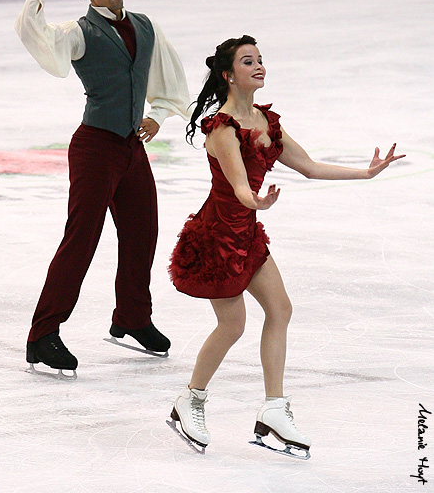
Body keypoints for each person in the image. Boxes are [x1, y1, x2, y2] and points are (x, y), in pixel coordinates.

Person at [167, 35, 404, 455]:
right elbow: (239, 186)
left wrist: (365, 174)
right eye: (247, 61)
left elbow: (309, 166)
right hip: (219, 235)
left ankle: (273, 410)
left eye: (259, 59)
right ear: (228, 75)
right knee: (233, 325)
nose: (259, 66)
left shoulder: (265, 122)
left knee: (281, 309)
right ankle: (189, 400)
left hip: (247, 233)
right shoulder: (222, 129)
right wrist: (256, 202)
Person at [15, 0, 190, 375]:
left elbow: (167, 77)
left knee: (142, 231)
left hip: (131, 147)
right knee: (82, 240)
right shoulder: (79, 32)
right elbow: (32, 32)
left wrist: (159, 115)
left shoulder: (145, 26)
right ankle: (43, 334)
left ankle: (131, 317)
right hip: (95, 148)